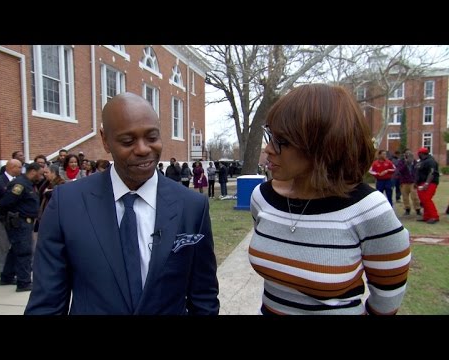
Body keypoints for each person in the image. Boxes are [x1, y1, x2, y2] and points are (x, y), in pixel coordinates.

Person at [25, 92, 219, 315]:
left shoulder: (192, 206)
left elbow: (204, 298)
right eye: (127, 141)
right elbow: (46, 303)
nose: (143, 149)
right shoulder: (66, 204)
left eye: (152, 137)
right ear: (105, 140)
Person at [249, 84, 410, 315]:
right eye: (270, 135)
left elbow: (387, 300)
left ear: (323, 144)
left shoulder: (370, 210)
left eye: (282, 140)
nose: (268, 149)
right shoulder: (262, 198)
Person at [0, 162, 44, 291]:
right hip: (19, 222)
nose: (41, 177)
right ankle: (23, 282)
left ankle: (6, 277)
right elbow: (6, 202)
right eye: (40, 174)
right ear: (33, 172)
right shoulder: (20, 184)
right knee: (24, 252)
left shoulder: (29, 184)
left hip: (25, 222)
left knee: (15, 250)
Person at [0, 159, 23, 272]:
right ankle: (3, 270)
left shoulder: (20, 181)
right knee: (3, 246)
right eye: (19, 167)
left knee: (16, 246)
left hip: (17, 219)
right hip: (3, 220)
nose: (21, 170)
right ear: (11, 167)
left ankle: (13, 269)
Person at [415, 147, 440, 224]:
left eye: (419, 154)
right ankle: (427, 216)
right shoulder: (422, 161)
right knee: (423, 200)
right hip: (421, 182)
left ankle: (434, 216)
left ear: (421, 154)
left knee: (426, 199)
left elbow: (432, 172)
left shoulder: (430, 161)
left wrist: (426, 183)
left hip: (429, 183)